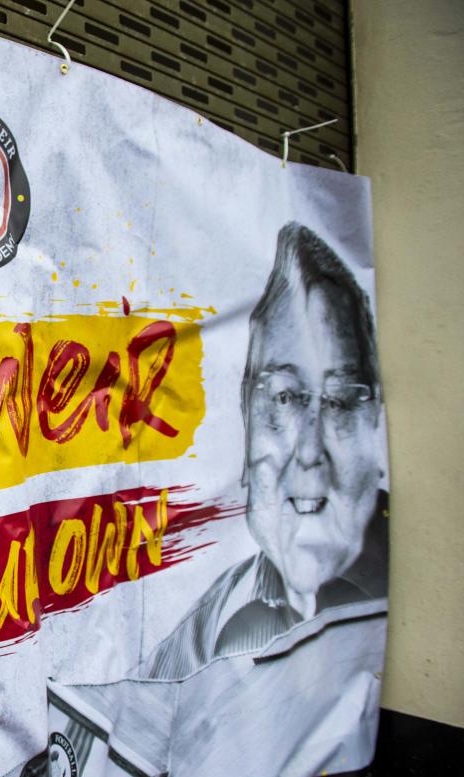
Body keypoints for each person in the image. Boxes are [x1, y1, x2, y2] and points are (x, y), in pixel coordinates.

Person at [144, 222, 389, 681]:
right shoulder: (218, 616)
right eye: (283, 397)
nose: (310, 451)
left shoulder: (384, 596)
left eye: (339, 400)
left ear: (375, 415)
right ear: (245, 416)